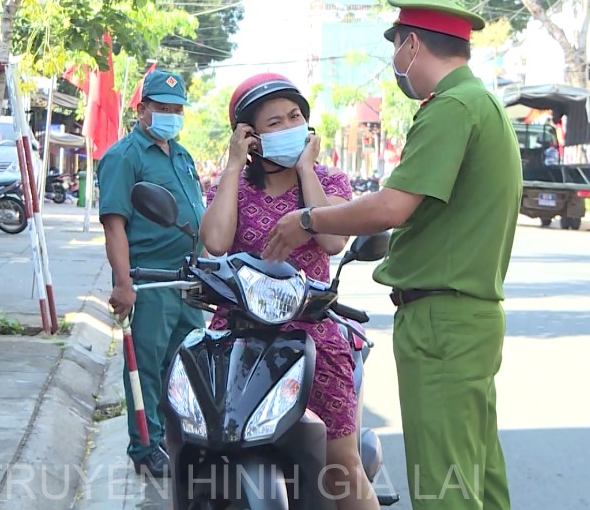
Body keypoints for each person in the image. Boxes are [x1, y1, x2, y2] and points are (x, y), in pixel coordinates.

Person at [263, 0, 522, 510]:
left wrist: (307, 219)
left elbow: (390, 207)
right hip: (468, 317)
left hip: (441, 320)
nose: (396, 62)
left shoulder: (451, 108)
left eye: (396, 47)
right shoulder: (483, 103)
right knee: (477, 478)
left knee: (445, 489)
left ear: (412, 45)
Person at [200, 73, 379, 510]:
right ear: (250, 136)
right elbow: (216, 242)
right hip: (237, 332)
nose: (289, 126)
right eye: (275, 122)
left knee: (342, 462)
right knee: (200, 446)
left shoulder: (330, 182)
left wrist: (305, 170)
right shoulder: (230, 186)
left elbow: (333, 241)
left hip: (311, 330)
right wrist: (232, 165)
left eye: (295, 116)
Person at [97, 69, 207, 478]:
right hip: (150, 279)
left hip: (187, 279)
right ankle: (145, 446)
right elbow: (115, 225)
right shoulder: (124, 156)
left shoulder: (182, 155)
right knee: (146, 366)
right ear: (142, 109)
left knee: (185, 365)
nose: (172, 116)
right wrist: (123, 284)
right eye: (163, 108)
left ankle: (177, 437)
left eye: (177, 109)